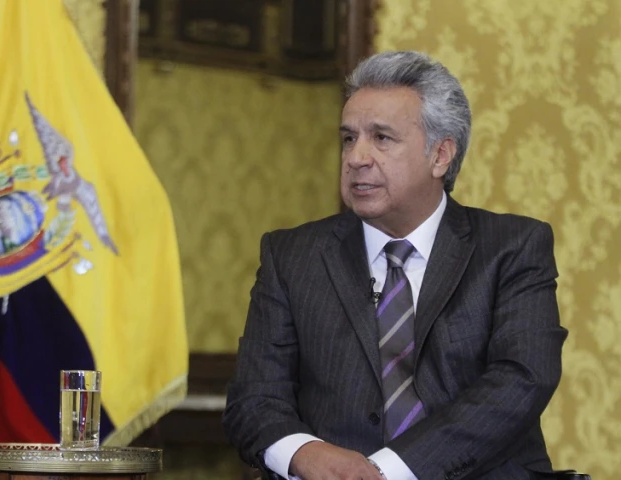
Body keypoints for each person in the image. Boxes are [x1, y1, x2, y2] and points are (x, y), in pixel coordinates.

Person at [222, 51, 567, 480]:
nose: (356, 157)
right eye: (349, 138)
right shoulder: (292, 256)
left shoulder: (512, 247)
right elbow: (253, 400)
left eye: (381, 138)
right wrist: (306, 455)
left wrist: (387, 470)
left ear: (440, 155)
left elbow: (523, 378)